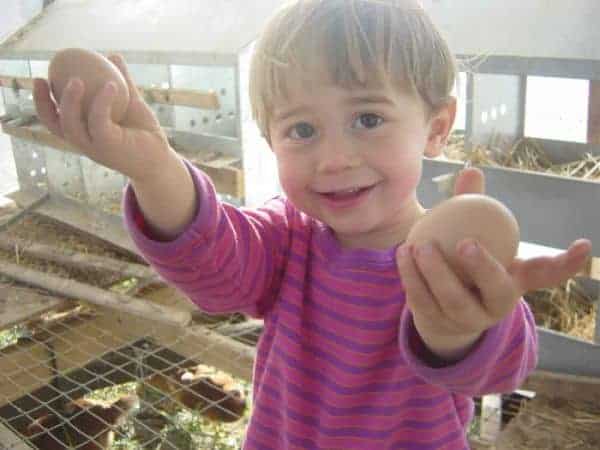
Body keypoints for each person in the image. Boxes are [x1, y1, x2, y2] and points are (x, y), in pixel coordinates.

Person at [33, 1, 592, 448]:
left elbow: (507, 365)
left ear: (436, 126)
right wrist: (155, 168)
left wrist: (454, 333)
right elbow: (216, 266)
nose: (333, 158)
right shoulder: (289, 237)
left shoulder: (451, 255)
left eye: (367, 118)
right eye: (301, 130)